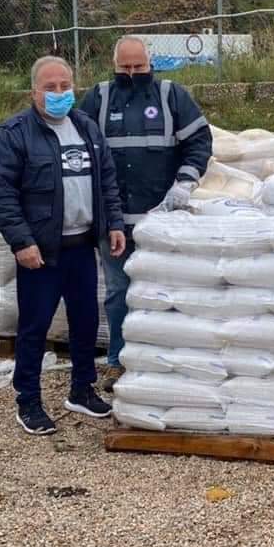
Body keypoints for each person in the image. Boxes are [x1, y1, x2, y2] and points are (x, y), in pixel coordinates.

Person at [0, 55, 127, 435]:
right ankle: (28, 401)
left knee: (85, 322)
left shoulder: (86, 128)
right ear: (34, 92)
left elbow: (106, 180)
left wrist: (113, 223)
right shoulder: (13, 134)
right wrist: (22, 242)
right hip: (41, 254)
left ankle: (82, 390)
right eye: (50, 87)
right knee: (34, 328)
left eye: (65, 86)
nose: (59, 93)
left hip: (81, 248)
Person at [79, 36, 212, 390]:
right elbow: (77, 149)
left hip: (161, 223)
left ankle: (166, 362)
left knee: (165, 292)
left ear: (150, 63)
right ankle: (121, 362)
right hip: (114, 224)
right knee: (119, 293)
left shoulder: (171, 96)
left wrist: (185, 183)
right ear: (114, 65)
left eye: (138, 66)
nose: (132, 72)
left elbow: (199, 142)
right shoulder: (98, 99)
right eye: (125, 67)